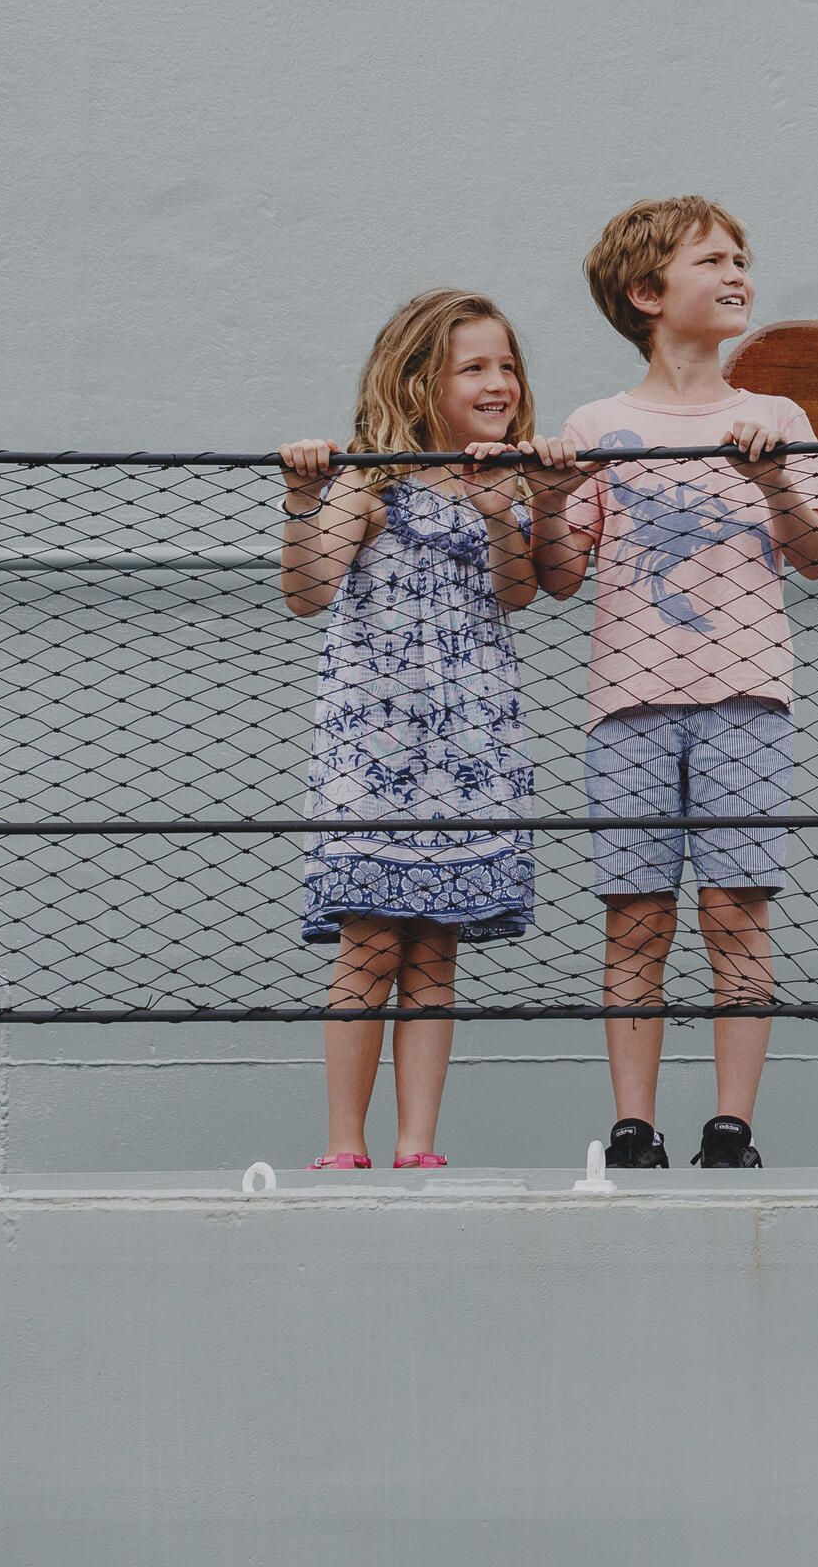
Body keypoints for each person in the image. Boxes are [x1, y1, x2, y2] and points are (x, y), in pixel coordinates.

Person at [523, 197, 818, 1171]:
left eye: (741, 256)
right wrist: (544, 502)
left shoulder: (773, 418)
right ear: (647, 292)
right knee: (636, 915)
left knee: (735, 910)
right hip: (626, 704)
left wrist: (776, 483)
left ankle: (732, 1124)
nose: (738, 270)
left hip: (747, 696)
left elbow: (817, 555)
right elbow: (559, 573)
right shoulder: (596, 424)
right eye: (713, 259)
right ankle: (633, 1126)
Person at [278, 290, 542, 1172]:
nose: (499, 381)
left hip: (469, 736)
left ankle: (417, 1144)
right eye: (475, 367)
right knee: (372, 936)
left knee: (436, 941)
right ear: (420, 379)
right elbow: (307, 592)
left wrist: (503, 511)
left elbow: (518, 592)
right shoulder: (369, 481)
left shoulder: (505, 480)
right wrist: (301, 501)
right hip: (378, 737)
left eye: (506, 365)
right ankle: (343, 1142)